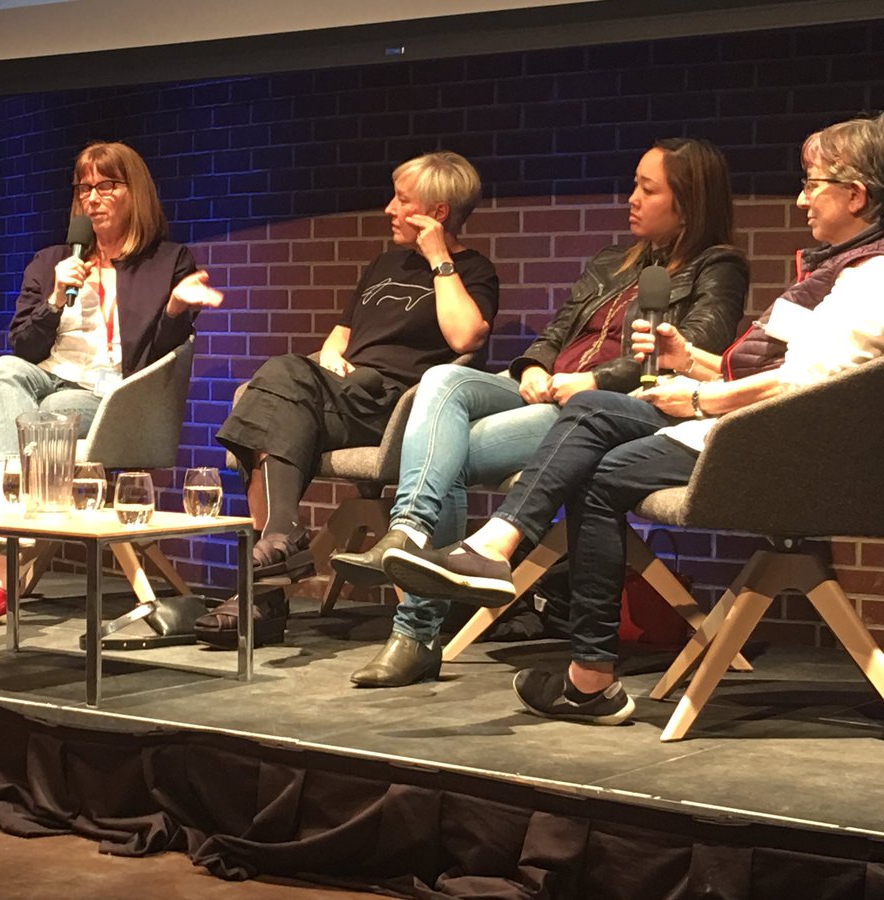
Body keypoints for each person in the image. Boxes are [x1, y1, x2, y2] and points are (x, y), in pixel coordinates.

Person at [377, 113, 884, 724]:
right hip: (733, 425)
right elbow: (775, 367)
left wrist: (698, 399)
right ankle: (588, 681)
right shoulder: (836, 270)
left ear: (855, 195)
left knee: (588, 414)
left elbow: (808, 385)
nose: (801, 199)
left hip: (773, 449)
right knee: (580, 466)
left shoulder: (871, 277)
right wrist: (688, 361)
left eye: (812, 183)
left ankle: (491, 550)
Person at [342, 138, 749, 687]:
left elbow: (691, 351)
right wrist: (534, 364)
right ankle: (409, 532)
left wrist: (592, 381)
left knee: (443, 456)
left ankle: (415, 635)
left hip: (602, 408)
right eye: (634, 184)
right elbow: (557, 331)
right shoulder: (612, 261)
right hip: (545, 386)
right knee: (442, 379)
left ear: (688, 203)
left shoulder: (719, 267)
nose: (631, 198)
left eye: (647, 190)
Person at [203, 151, 500, 645]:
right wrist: (329, 355)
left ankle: (267, 583)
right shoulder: (383, 263)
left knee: (277, 381)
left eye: (402, 200)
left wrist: (439, 260)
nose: (389, 209)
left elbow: (465, 337)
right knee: (270, 402)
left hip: (396, 408)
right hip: (342, 393)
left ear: (438, 213)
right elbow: (342, 333)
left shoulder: (472, 270)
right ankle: (277, 554)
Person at [0, 140, 222, 629]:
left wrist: (177, 308)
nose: (92, 197)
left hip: (110, 394)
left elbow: (159, 361)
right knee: (0, 371)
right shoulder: (52, 259)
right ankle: (9, 511)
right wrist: (54, 297)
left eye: (106, 186)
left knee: (15, 426)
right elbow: (22, 344)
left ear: (134, 192)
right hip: (45, 375)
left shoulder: (168, 260)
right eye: (84, 188)